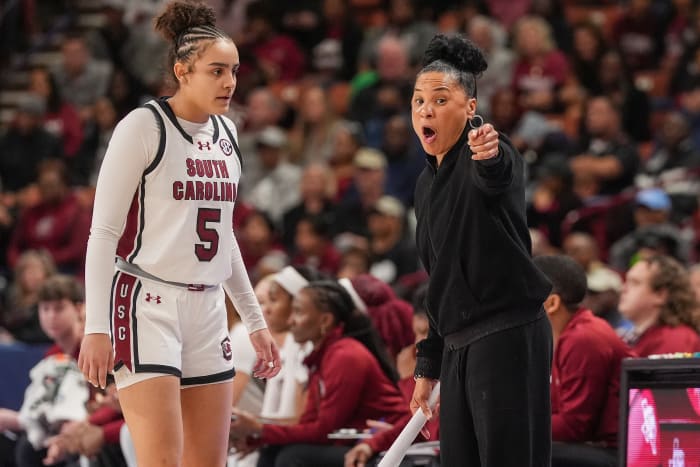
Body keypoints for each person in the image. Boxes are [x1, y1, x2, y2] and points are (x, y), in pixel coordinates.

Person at [77, 3, 280, 467]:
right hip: (148, 302)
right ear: (182, 72)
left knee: (210, 463)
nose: (230, 82)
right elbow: (104, 233)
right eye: (216, 71)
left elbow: (225, 237)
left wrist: (254, 320)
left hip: (208, 308)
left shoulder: (228, 133)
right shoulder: (143, 127)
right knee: (162, 461)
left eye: (234, 70)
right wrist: (96, 325)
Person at [409, 34, 553, 467]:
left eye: (439, 99)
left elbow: (496, 172)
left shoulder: (488, 147)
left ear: (470, 108)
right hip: (457, 343)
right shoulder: (425, 184)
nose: (425, 111)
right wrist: (428, 362)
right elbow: (442, 278)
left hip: (507, 333)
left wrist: (489, 155)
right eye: (417, 102)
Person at [229, 281, 410, 467]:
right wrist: (258, 438)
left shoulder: (345, 356)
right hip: (357, 441)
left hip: (385, 444)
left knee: (294, 457)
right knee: (273, 449)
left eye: (298, 312)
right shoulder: (323, 355)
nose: (291, 320)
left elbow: (322, 430)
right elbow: (308, 422)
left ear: (325, 321)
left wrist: (260, 430)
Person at [534, 255, 635, 467]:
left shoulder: (583, 338)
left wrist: (511, 425)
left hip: (616, 452)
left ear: (551, 303)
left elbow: (574, 426)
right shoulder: (570, 333)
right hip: (593, 447)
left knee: (515, 451)